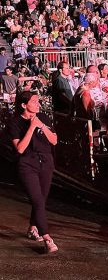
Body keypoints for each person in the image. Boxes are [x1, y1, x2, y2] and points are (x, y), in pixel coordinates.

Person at [8, 91, 58, 253]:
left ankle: (32, 228)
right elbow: (20, 148)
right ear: (24, 105)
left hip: (46, 162)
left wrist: (41, 125)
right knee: (37, 200)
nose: (38, 104)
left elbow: (54, 141)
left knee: (41, 200)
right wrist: (32, 127)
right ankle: (47, 238)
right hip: (27, 164)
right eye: (34, 101)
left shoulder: (43, 117)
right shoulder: (15, 123)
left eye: (38, 101)